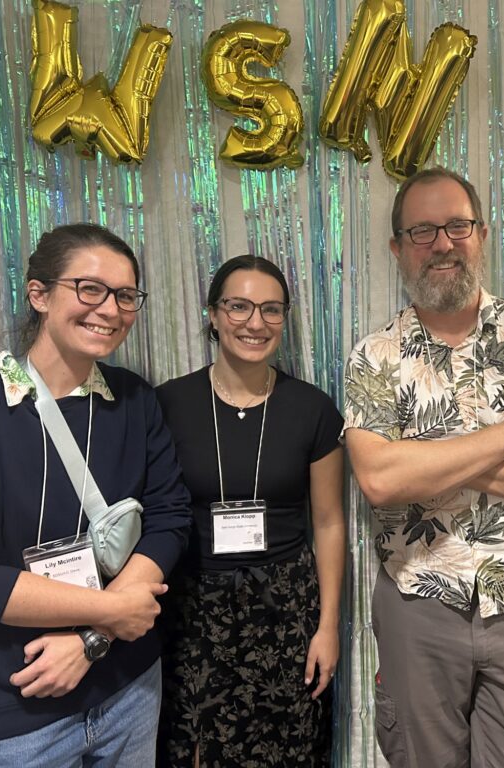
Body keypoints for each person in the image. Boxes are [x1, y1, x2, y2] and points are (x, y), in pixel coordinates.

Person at [0, 222, 191, 766]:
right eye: (90, 288)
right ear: (39, 294)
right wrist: (113, 611)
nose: (110, 309)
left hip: (127, 688)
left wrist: (95, 637)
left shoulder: (134, 400)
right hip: (9, 711)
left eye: (126, 296)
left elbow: (170, 516)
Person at [343, 167, 504, 767]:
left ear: (481, 234)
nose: (443, 243)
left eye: (457, 226)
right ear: (397, 248)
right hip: (418, 603)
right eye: (422, 231)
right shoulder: (375, 355)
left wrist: (432, 458)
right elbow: (381, 480)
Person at [156, 255, 345, 768]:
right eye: (238, 306)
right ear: (213, 315)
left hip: (285, 612)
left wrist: (327, 627)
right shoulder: (167, 404)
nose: (255, 322)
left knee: (287, 748)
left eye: (271, 309)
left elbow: (328, 523)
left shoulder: (313, 409)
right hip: (194, 610)